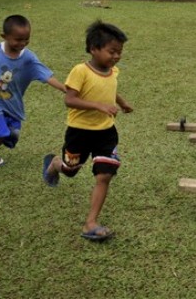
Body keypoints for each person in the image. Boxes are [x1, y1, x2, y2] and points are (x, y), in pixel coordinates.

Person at [42, 21, 133, 241]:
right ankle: (55, 164)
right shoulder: (80, 71)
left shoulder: (113, 70)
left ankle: (90, 223)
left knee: (105, 175)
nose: (116, 56)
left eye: (119, 52)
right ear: (94, 48)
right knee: (70, 170)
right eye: (112, 51)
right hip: (79, 133)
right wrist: (99, 106)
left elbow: (110, 88)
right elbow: (70, 99)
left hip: (106, 132)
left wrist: (121, 102)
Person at [0, 15, 66, 167]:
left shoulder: (28, 58)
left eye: (26, 39)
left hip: (12, 105)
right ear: (4, 36)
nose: (23, 43)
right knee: (0, 130)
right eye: (18, 39)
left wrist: (65, 89)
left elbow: (46, 76)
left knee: (12, 134)